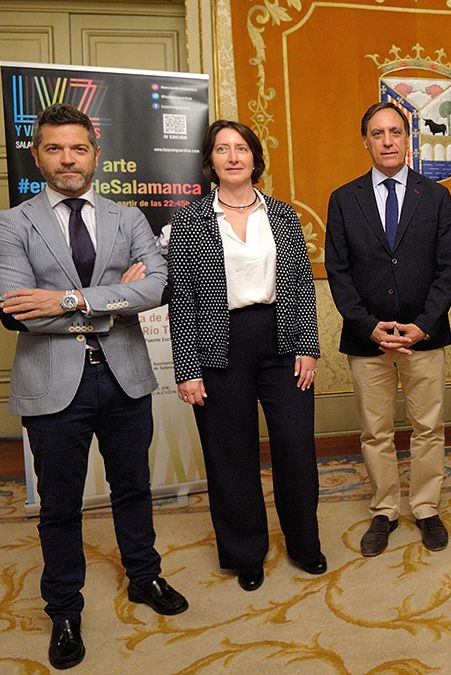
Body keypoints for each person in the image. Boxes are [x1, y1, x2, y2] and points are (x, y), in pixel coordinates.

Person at [0, 103, 188, 670]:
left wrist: (69, 299)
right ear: (38, 155)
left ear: (96, 154)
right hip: (52, 384)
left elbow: (157, 288)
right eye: (54, 148)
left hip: (124, 376)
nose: (67, 159)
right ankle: (64, 609)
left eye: (78, 148)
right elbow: (16, 312)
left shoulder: (128, 218)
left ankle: (144, 578)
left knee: (133, 487)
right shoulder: (13, 223)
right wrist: (111, 300)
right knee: (60, 505)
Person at [166, 120, 323, 593]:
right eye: (222, 149)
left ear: (256, 157)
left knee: (296, 449)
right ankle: (245, 553)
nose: (233, 157)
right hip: (220, 345)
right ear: (210, 161)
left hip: (281, 338)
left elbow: (300, 286)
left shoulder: (282, 215)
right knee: (230, 456)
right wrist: (187, 370)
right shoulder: (190, 222)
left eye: (241, 148)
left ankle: (304, 544)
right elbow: (183, 300)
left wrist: (308, 347)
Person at [325, 101, 451, 555]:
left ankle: (425, 507)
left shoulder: (436, 196)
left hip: (425, 336)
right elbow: (338, 272)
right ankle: (383, 509)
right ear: (365, 141)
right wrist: (369, 326)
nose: (387, 141)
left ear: (408, 139)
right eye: (378, 133)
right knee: (375, 431)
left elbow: (447, 270)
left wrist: (422, 325)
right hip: (368, 340)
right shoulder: (345, 199)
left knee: (428, 428)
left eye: (395, 132)